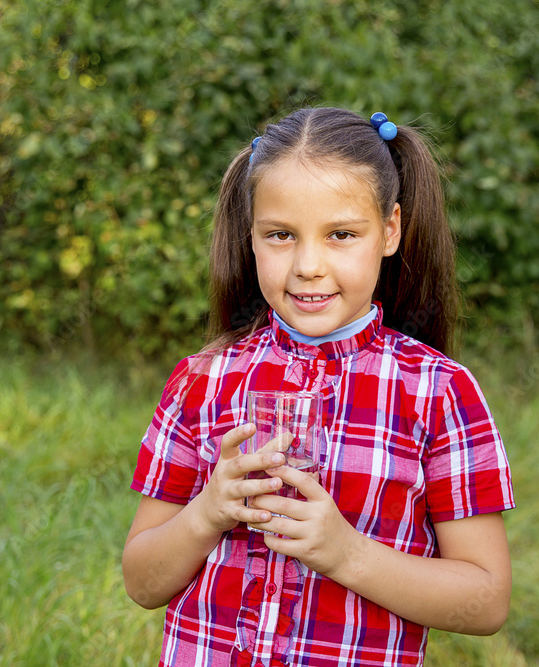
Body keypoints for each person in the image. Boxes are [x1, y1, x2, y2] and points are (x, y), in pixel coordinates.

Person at [122, 107, 515, 667]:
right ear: (250, 236)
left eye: (341, 235)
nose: (308, 265)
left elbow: (486, 601)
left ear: (390, 231)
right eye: (280, 235)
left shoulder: (439, 393)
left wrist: (345, 554)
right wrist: (208, 511)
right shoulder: (202, 383)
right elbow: (142, 583)